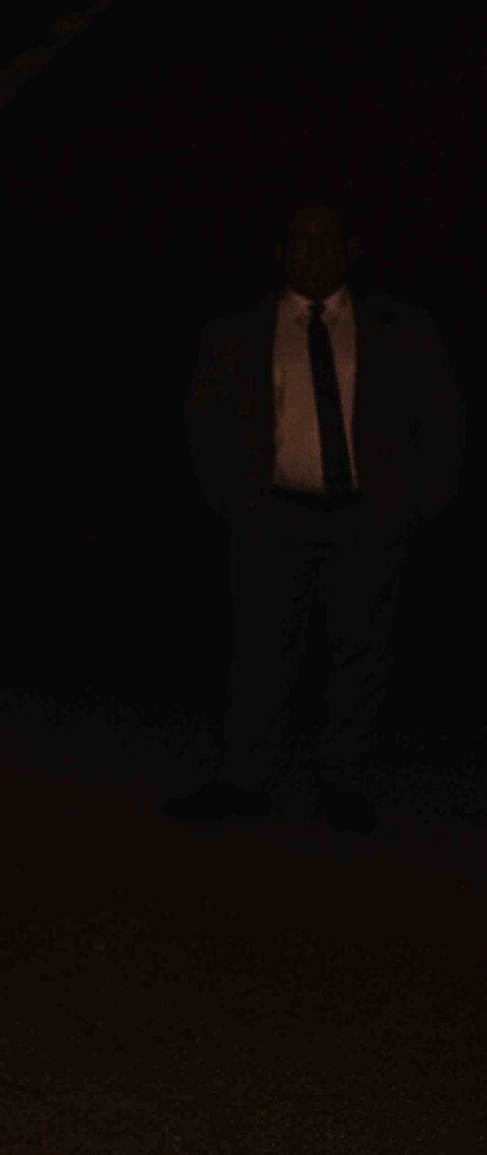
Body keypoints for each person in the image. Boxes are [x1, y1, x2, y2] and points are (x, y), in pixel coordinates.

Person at [173, 203, 463, 832]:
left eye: (326, 240)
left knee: (362, 653)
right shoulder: (237, 329)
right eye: (301, 241)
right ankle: (245, 779)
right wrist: (233, 502)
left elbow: (440, 417)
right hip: (274, 515)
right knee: (259, 652)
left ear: (349, 248)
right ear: (282, 250)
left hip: (368, 515)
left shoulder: (399, 326)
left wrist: (415, 506)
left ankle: (343, 782)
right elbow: (206, 419)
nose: (314, 252)